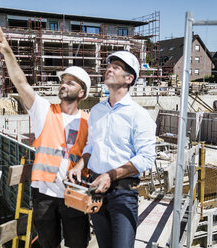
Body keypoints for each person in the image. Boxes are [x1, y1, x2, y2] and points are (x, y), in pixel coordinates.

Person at [0, 24, 91, 248]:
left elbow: (93, 152)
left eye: (70, 82)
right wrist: (8, 53)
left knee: (78, 244)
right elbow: (20, 82)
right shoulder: (45, 110)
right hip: (44, 195)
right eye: (63, 81)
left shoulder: (89, 120)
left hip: (74, 194)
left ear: (82, 93)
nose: (64, 85)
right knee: (48, 244)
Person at [68, 50, 156, 248]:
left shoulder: (139, 116)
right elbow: (91, 145)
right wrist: (78, 165)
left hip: (123, 193)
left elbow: (146, 158)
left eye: (116, 67)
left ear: (129, 78)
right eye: (109, 66)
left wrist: (110, 175)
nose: (109, 69)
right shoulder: (98, 110)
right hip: (96, 189)